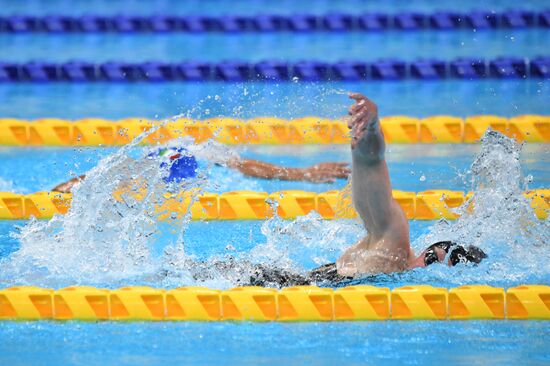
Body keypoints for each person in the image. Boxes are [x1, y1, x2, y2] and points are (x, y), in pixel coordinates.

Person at [52, 147, 351, 193]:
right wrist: (302, 174)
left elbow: (244, 165)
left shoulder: (194, 156)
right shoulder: (147, 168)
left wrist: (303, 174)